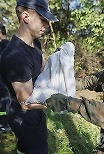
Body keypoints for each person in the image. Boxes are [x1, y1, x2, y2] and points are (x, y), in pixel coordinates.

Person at [0, 0, 58, 153]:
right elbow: (26, 102)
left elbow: (42, 69)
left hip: (35, 107)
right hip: (23, 117)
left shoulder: (36, 43)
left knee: (24, 147)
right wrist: (62, 102)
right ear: (26, 16)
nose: (47, 25)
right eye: (43, 19)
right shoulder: (16, 56)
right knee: (38, 147)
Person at [0, 22, 10, 132]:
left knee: (4, 102)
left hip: (3, 81)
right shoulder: (9, 44)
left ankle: (5, 124)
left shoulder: (5, 45)